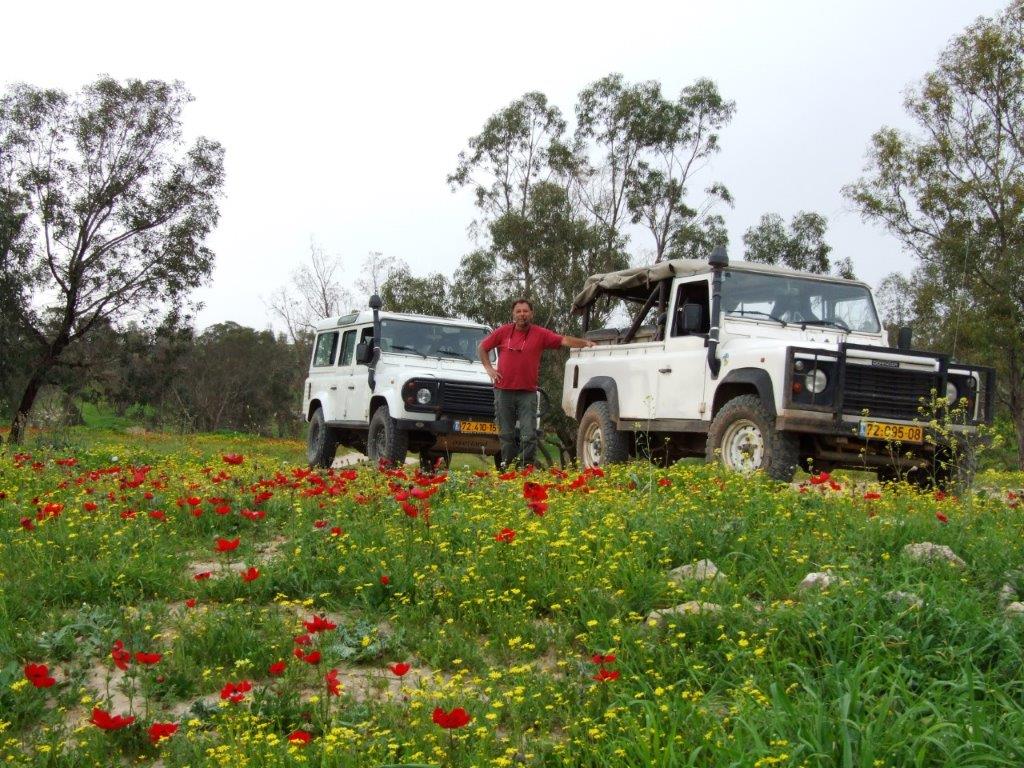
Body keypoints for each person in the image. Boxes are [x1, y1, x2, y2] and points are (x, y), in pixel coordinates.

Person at [478, 299, 596, 468]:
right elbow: (483, 347)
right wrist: (489, 368)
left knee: (529, 434)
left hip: (527, 393)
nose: (522, 315)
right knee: (506, 434)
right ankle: (509, 469)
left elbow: (563, 340)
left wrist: (585, 344)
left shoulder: (540, 334)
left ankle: (526, 468)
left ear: (531, 314)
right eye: (518, 311)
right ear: (513, 314)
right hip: (503, 391)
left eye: (525, 311)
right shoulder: (503, 332)